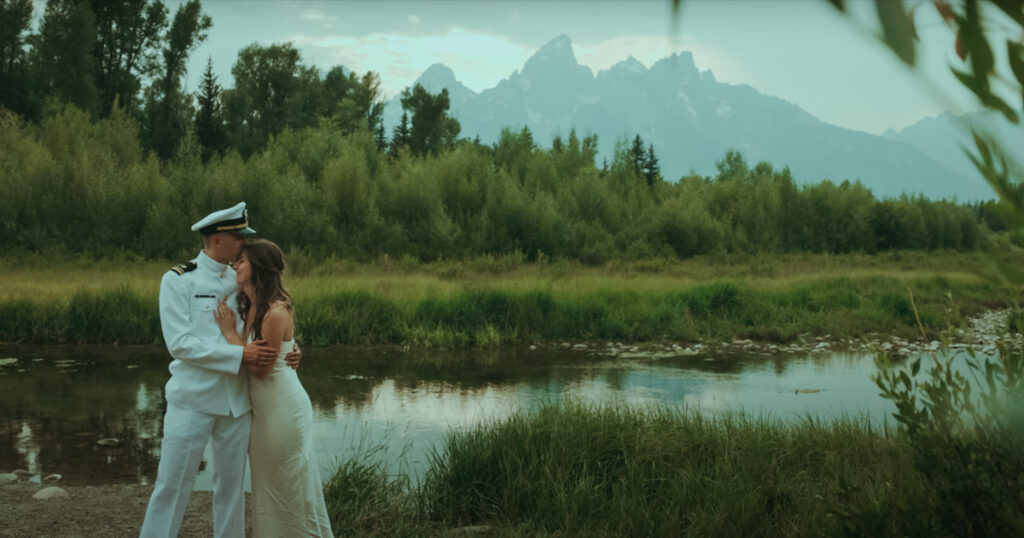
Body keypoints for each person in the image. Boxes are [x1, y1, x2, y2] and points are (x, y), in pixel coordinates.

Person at [140, 202, 301, 538]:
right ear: (218, 240)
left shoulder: (241, 275)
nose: (244, 242)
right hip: (193, 399)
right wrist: (239, 356)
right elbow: (180, 344)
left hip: (236, 402)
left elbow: (266, 314)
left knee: (231, 491)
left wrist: (288, 346)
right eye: (239, 235)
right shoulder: (178, 280)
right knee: (171, 486)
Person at [213, 238, 333, 537]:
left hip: (282, 411)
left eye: (241, 260)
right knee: (269, 489)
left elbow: (262, 370)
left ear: (258, 268)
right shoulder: (249, 304)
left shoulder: (275, 312)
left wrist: (230, 336)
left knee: (289, 486)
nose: (234, 265)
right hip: (263, 412)